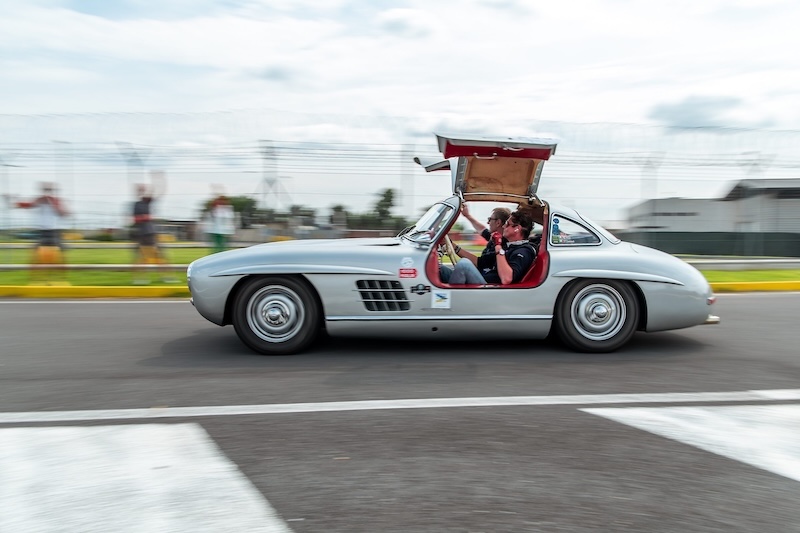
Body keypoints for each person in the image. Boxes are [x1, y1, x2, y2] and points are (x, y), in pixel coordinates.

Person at [447, 209, 537, 285]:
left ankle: (451, 302)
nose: (504, 226)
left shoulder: (524, 251)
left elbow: (507, 278)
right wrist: (452, 245)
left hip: (491, 289)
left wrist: (498, 246)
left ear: (517, 228)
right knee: (442, 270)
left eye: (508, 224)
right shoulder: (508, 247)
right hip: (485, 280)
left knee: (464, 264)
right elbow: (480, 262)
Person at [7, 182, 70, 283]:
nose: (46, 193)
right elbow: (27, 205)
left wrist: (53, 203)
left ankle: (61, 277)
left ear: (52, 192)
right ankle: (35, 278)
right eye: (45, 190)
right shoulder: (39, 200)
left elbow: (64, 213)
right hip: (42, 232)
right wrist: (14, 201)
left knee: (61, 253)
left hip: (55, 231)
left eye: (48, 191)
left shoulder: (56, 201)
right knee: (35, 252)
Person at [439, 204, 510, 283]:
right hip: (481, 274)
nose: (488, 222)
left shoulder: (501, 246)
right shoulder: (494, 238)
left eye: (490, 219)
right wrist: (467, 216)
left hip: (486, 284)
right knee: (440, 269)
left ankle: (452, 295)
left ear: (498, 223)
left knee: (463, 264)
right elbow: (482, 230)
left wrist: (453, 246)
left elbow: (478, 262)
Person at [131, 171, 170, 284]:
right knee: (142, 257)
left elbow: (159, 192)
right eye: (142, 189)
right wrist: (146, 217)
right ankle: (139, 278)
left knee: (159, 256)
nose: (144, 191)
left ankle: (165, 277)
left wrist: (159, 180)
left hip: (151, 232)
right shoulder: (137, 205)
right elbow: (135, 219)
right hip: (142, 234)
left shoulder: (147, 202)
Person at [207, 186, 236, 253]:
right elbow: (213, 214)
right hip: (218, 231)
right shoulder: (218, 210)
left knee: (223, 247)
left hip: (224, 231)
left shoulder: (227, 210)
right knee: (219, 246)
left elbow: (229, 220)